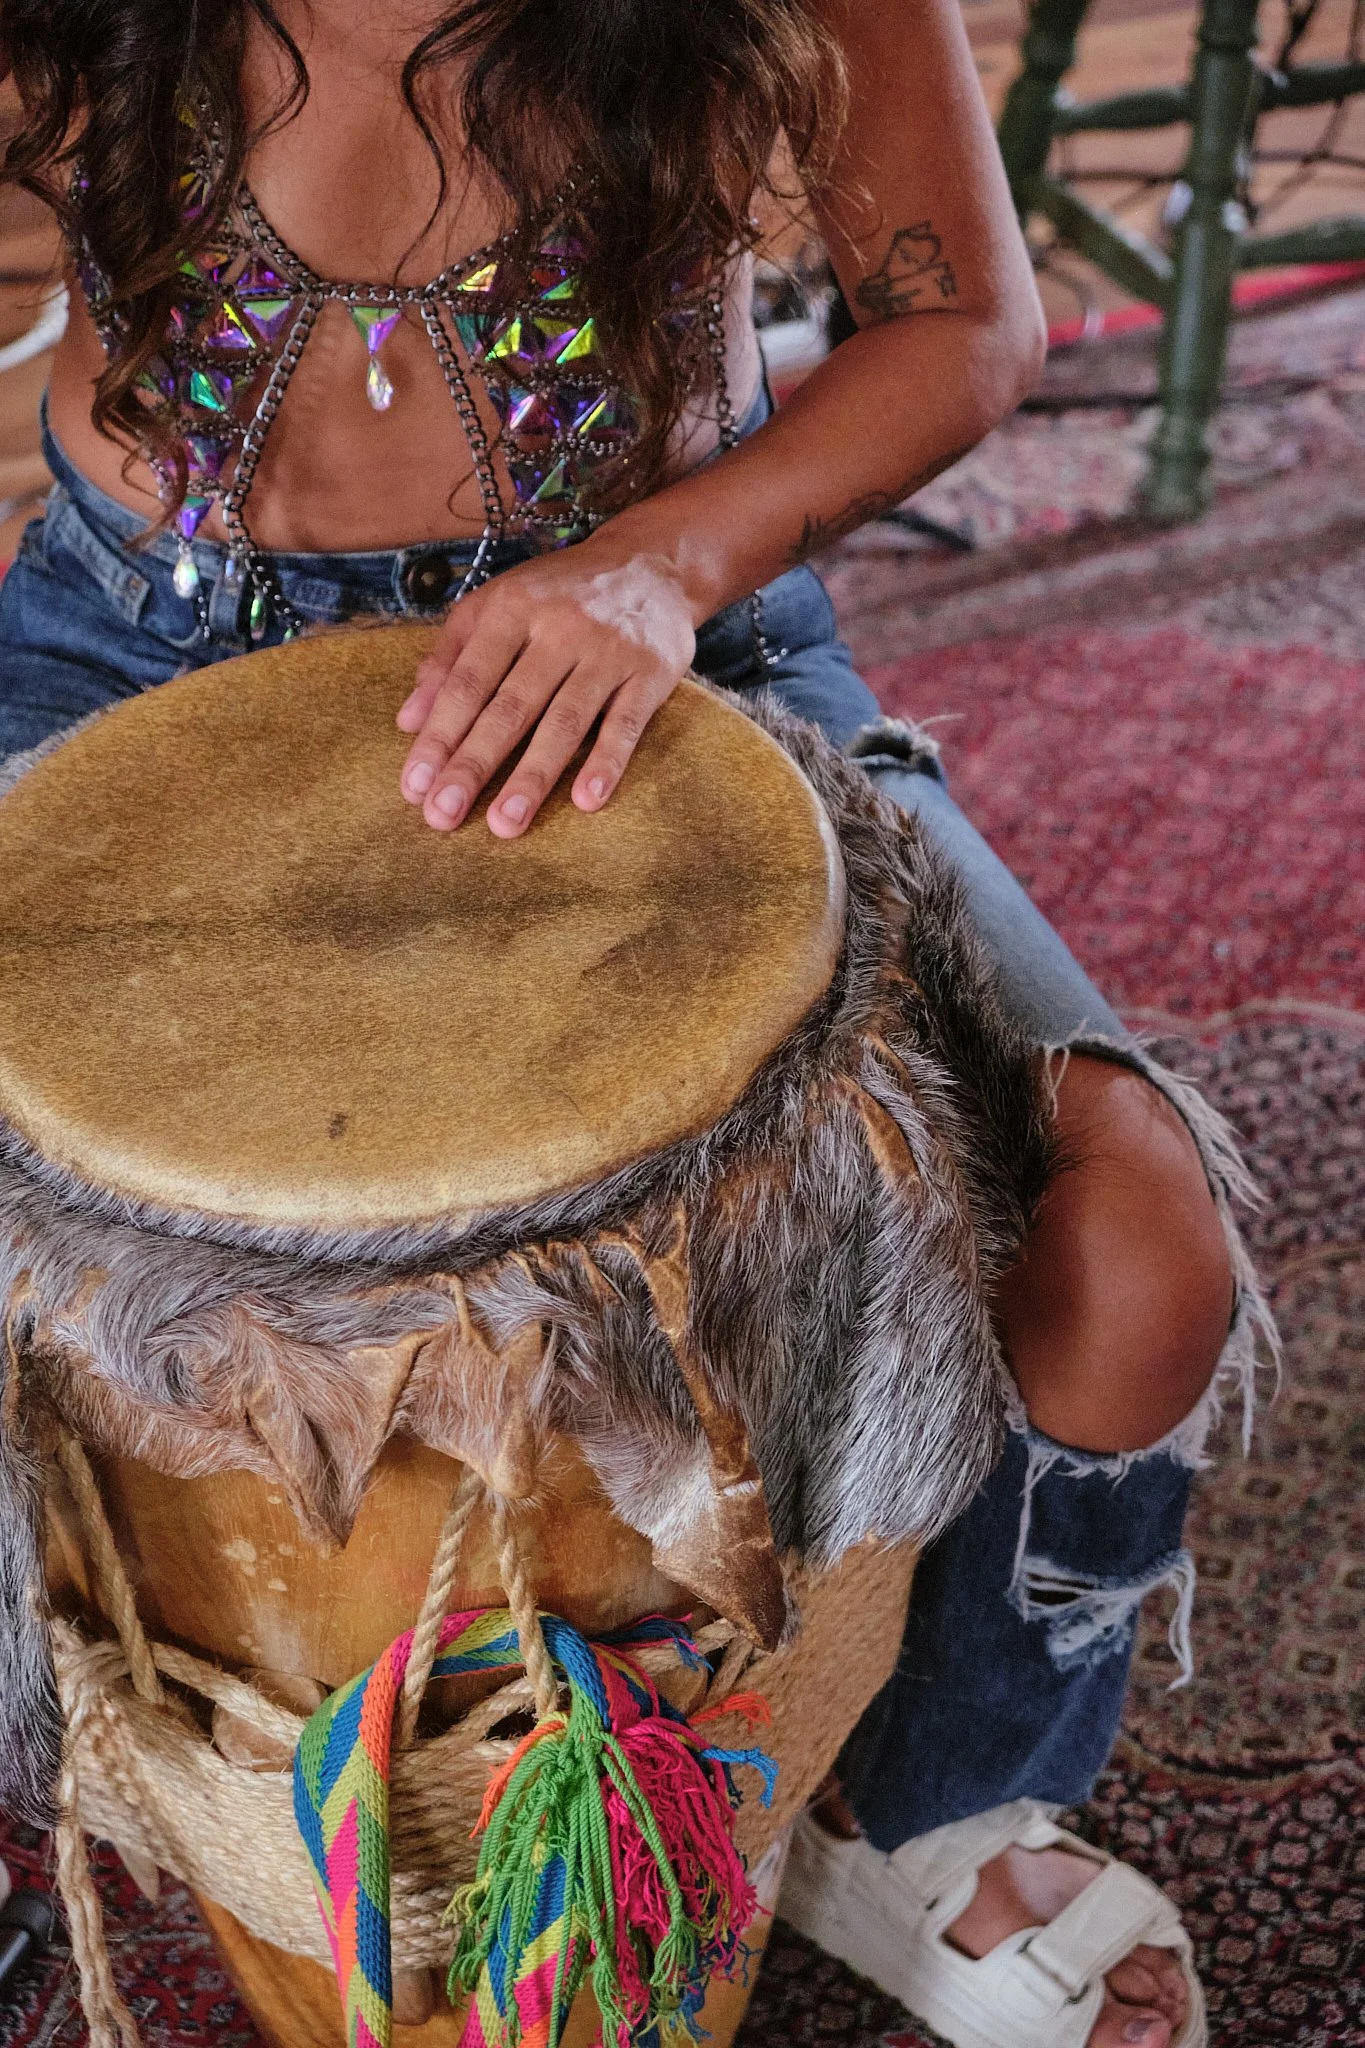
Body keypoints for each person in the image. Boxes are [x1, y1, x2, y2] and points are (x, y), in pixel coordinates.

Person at [0, 3, 1267, 2043]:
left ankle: (924, 1801)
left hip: (684, 644)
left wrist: (659, 568)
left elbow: (960, 329)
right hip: (127, 664)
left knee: (1136, 1231)